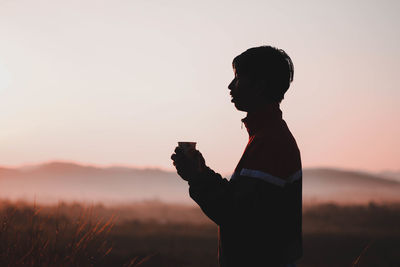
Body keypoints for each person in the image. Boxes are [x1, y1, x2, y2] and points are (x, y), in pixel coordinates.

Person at [171, 45, 302, 267]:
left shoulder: (270, 142)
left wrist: (197, 178)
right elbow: (241, 199)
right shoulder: (266, 136)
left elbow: (236, 216)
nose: (230, 86)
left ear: (259, 86)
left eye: (238, 78)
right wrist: (201, 172)